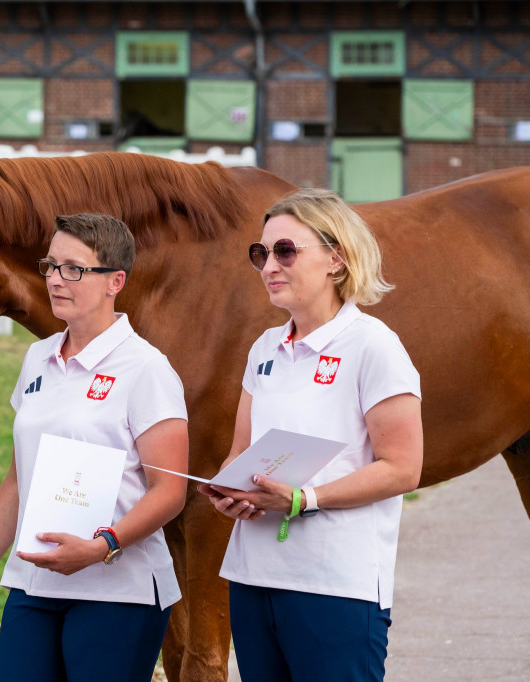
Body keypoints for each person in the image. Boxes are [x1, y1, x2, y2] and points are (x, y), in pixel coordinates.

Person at [0, 213, 189, 681]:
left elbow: (170, 491)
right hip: (35, 582)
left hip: (118, 591)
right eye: (51, 266)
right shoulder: (37, 357)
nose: (56, 280)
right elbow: (20, 478)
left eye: (74, 269)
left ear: (115, 282)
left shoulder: (146, 368)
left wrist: (101, 546)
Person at [197, 188, 423, 682]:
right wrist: (230, 492)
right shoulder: (264, 348)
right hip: (253, 578)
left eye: (285, 250)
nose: (268, 265)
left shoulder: (374, 346)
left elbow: (403, 467)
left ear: (336, 259)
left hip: (336, 584)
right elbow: (243, 455)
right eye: (261, 253)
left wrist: (305, 498)